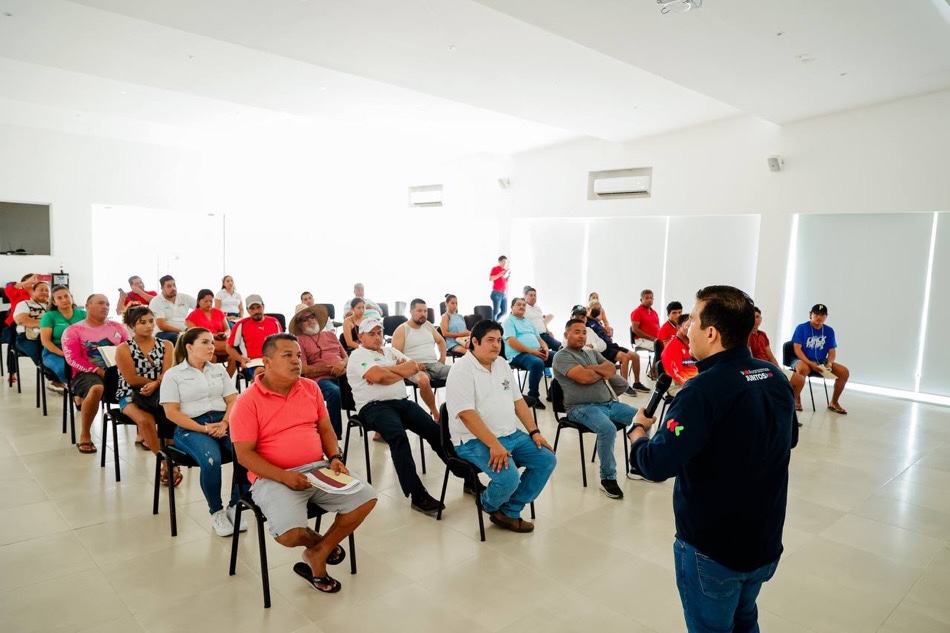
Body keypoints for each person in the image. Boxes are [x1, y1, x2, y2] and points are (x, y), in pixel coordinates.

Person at [627, 286, 797, 632]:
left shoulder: (701, 391)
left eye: (692, 318)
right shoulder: (774, 378)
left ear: (711, 332)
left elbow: (656, 464)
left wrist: (639, 435)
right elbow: (789, 438)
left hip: (714, 552)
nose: (686, 326)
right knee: (745, 618)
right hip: (763, 542)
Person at [230, 333, 377, 594]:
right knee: (288, 535)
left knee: (366, 497)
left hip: (318, 468)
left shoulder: (310, 388)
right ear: (267, 361)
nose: (296, 361)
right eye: (287, 355)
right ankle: (320, 545)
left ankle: (318, 554)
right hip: (274, 476)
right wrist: (284, 477)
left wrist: (334, 458)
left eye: (298, 355)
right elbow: (245, 456)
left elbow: (326, 429)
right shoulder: (247, 402)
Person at [345, 318, 471, 516]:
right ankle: (417, 494)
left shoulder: (390, 351)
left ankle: (467, 476)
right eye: (372, 333)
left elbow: (414, 366)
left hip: (401, 402)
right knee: (398, 437)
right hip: (373, 407)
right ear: (361, 337)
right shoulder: (357, 355)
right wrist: (396, 372)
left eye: (379, 333)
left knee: (435, 430)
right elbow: (379, 377)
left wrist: (387, 371)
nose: (377, 337)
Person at [446, 319, 557, 533]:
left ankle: (508, 511)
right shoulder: (461, 370)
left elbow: (518, 402)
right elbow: (467, 415)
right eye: (490, 340)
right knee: (509, 478)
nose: (496, 345)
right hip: (472, 440)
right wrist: (494, 444)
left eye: (498, 340)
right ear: (474, 342)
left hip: (510, 433)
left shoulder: (502, 364)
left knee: (546, 460)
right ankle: (488, 504)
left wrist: (535, 432)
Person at [160, 327, 246, 537]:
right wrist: (203, 428)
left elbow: (232, 399)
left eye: (211, 342)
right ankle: (216, 511)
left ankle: (235, 505)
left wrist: (225, 422)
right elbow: (171, 412)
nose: (211, 347)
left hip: (222, 422)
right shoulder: (173, 374)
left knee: (246, 453)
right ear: (189, 347)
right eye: (205, 342)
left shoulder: (217, 369)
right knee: (211, 460)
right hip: (191, 427)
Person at [553, 319, 637, 499]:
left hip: (609, 404)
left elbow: (611, 369)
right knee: (607, 428)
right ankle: (608, 478)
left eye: (584, 332)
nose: (581, 336)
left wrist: (593, 369)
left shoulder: (591, 352)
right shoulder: (561, 356)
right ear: (566, 335)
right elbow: (584, 378)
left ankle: (638, 465)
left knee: (640, 419)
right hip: (580, 407)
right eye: (577, 332)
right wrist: (599, 371)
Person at [114, 306, 179, 485]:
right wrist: (150, 384)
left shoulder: (166, 345)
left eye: (151, 321)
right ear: (131, 326)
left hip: (159, 391)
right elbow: (132, 379)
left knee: (168, 409)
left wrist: (155, 384)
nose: (149, 326)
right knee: (144, 421)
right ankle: (167, 463)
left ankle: (171, 456)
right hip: (130, 393)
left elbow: (167, 372)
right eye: (142, 323)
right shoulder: (123, 349)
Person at [62, 294, 129, 454]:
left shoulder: (118, 328)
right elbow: (72, 358)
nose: (105, 306)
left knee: (141, 383)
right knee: (97, 388)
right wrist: (97, 370)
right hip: (84, 373)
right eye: (100, 303)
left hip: (116, 370)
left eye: (107, 304)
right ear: (87, 306)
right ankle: (85, 433)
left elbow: (129, 351)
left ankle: (142, 433)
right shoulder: (73, 330)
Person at [289, 304, 347, 438]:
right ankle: (334, 437)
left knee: (369, 381)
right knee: (334, 393)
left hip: (343, 374)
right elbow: (305, 370)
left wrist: (341, 365)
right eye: (304, 319)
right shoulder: (299, 341)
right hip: (321, 380)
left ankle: (378, 427)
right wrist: (332, 369)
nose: (310, 320)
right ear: (299, 325)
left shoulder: (331, 335)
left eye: (311, 316)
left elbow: (346, 357)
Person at [391, 298, 450, 420]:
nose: (423, 314)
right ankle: (436, 414)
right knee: (423, 379)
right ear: (411, 311)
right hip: (413, 368)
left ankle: (459, 411)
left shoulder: (428, 325)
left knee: (460, 372)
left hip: (434, 364)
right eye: (419, 311)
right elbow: (395, 356)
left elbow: (441, 341)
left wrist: (442, 359)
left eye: (425, 311)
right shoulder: (402, 329)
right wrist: (414, 364)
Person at [575, 305, 647, 394]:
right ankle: (625, 386)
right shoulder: (586, 325)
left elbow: (602, 342)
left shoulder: (596, 323)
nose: (596, 309)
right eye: (594, 305)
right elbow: (590, 346)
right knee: (625, 357)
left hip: (610, 344)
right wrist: (594, 345)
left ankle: (637, 383)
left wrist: (608, 332)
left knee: (635, 356)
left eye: (598, 307)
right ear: (589, 308)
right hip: (605, 350)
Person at [792, 304, 850, 414]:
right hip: (803, 359)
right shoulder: (802, 328)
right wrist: (810, 364)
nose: (819, 317)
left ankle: (834, 402)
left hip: (821, 361)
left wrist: (829, 364)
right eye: (816, 314)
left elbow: (832, 351)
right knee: (803, 369)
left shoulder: (829, 331)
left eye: (822, 315)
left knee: (844, 372)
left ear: (826, 316)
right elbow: (797, 350)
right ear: (811, 315)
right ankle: (796, 401)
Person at [750, 307, 806, 412]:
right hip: (759, 370)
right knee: (781, 385)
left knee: (800, 380)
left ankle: (788, 409)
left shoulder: (763, 335)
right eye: (752, 318)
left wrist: (778, 370)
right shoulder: (746, 336)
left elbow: (770, 356)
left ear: (761, 318)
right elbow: (750, 360)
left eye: (757, 317)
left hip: (771, 368)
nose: (755, 320)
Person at [503, 297, 552, 408]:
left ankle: (553, 392)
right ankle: (533, 396)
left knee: (559, 358)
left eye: (524, 305)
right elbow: (512, 342)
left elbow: (539, 338)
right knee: (537, 363)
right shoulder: (508, 322)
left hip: (535, 352)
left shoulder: (528, 321)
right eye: (519, 304)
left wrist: (545, 347)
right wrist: (532, 351)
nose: (522, 306)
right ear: (512, 307)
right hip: (517, 355)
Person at [39, 285, 85, 390]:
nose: (64, 300)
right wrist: (64, 354)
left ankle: (84, 390)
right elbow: (45, 341)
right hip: (55, 352)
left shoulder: (83, 314)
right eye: (59, 298)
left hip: (80, 350)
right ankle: (75, 391)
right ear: (54, 302)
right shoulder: (49, 316)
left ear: (71, 297)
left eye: (66, 296)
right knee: (64, 369)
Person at [227, 294, 283, 381]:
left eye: (258, 307)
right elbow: (229, 347)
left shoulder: (274, 322)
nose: (256, 311)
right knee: (261, 373)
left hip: (274, 361)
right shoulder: (241, 325)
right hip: (253, 363)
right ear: (247, 310)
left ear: (263, 307)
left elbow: (282, 343)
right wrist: (241, 359)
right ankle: (257, 393)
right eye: (252, 308)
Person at [186, 288, 234, 375]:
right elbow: (193, 335)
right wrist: (212, 336)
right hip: (205, 343)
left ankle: (226, 382)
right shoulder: (192, 316)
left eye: (211, 301)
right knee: (213, 356)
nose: (209, 303)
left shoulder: (218, 312)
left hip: (220, 341)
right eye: (206, 301)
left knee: (233, 357)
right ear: (198, 301)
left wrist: (224, 334)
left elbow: (228, 330)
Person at [13, 280, 49, 369]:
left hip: (49, 337)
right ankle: (51, 375)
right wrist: (47, 324)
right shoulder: (24, 304)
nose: (44, 292)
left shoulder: (53, 306)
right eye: (41, 290)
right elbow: (21, 320)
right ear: (33, 292)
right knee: (41, 353)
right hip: (28, 338)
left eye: (47, 290)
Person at [149, 275, 196, 343]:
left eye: (174, 285)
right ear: (162, 288)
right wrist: (183, 332)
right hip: (163, 333)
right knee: (177, 337)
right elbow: (162, 326)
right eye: (169, 286)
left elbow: (201, 307)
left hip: (184, 330)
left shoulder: (184, 297)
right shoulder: (156, 301)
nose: (173, 288)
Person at [660, 314, 698, 393]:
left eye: (692, 327)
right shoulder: (671, 347)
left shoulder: (692, 345)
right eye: (687, 326)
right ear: (678, 327)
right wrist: (695, 384)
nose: (690, 329)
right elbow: (677, 374)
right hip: (678, 386)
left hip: (695, 380)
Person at [524, 286, 561, 354]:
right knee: (548, 350)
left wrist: (548, 331)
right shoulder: (524, 308)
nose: (533, 297)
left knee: (559, 346)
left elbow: (542, 323)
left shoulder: (537, 308)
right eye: (531, 295)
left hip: (545, 335)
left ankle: (556, 362)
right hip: (536, 337)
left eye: (535, 295)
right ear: (525, 296)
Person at [3, 274, 38, 343]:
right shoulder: (19, 293)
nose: (33, 283)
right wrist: (27, 282)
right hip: (16, 326)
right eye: (31, 281)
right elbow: (8, 289)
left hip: (36, 325)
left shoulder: (42, 295)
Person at [488, 255, 510, 321]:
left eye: (505, 262)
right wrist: (500, 274)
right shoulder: (495, 269)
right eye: (503, 261)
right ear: (499, 261)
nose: (504, 263)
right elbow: (491, 278)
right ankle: (493, 325)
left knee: (504, 311)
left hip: (503, 294)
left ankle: (494, 323)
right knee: (496, 311)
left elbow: (505, 283)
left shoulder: (504, 271)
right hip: (496, 293)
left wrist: (507, 276)